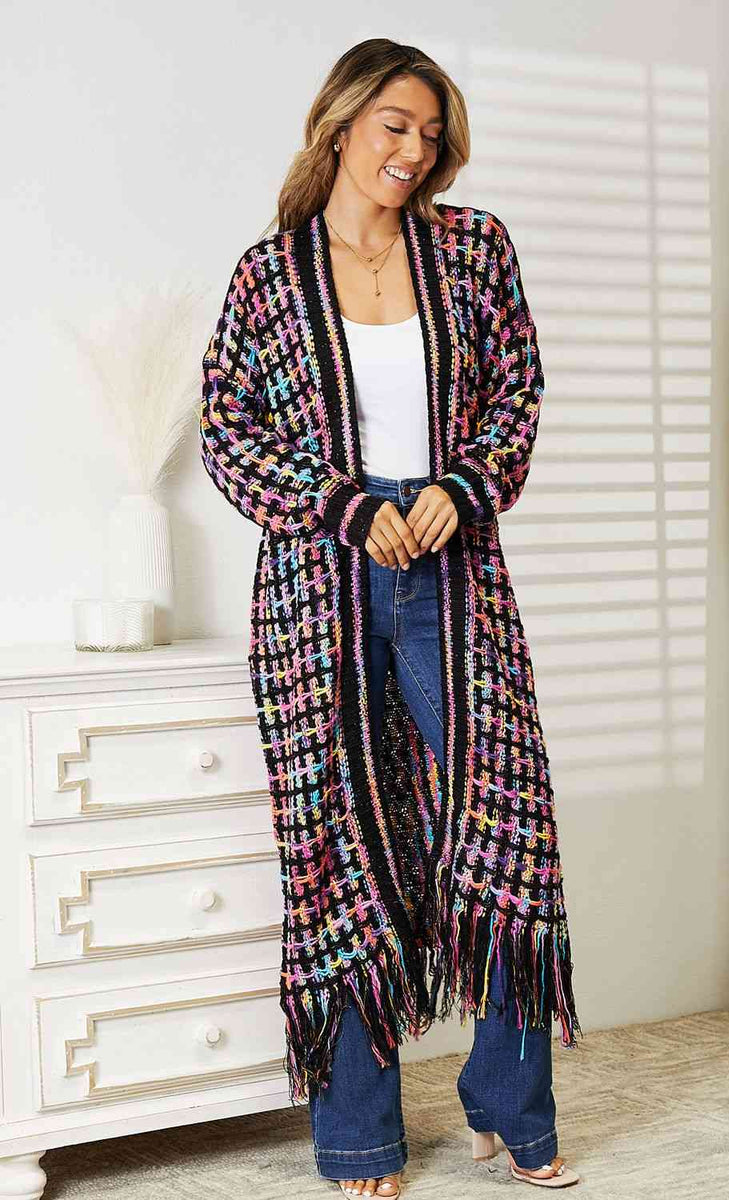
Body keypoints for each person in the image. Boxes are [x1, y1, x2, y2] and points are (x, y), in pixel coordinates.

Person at [200, 37, 582, 1198]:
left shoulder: (471, 249)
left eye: (429, 132)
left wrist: (457, 488)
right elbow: (227, 435)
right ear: (339, 126)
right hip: (317, 592)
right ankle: (359, 1135)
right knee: (338, 848)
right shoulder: (269, 277)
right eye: (393, 126)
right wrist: (343, 506)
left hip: (455, 577)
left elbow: (514, 394)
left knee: (506, 834)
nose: (413, 150)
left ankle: (507, 1106)